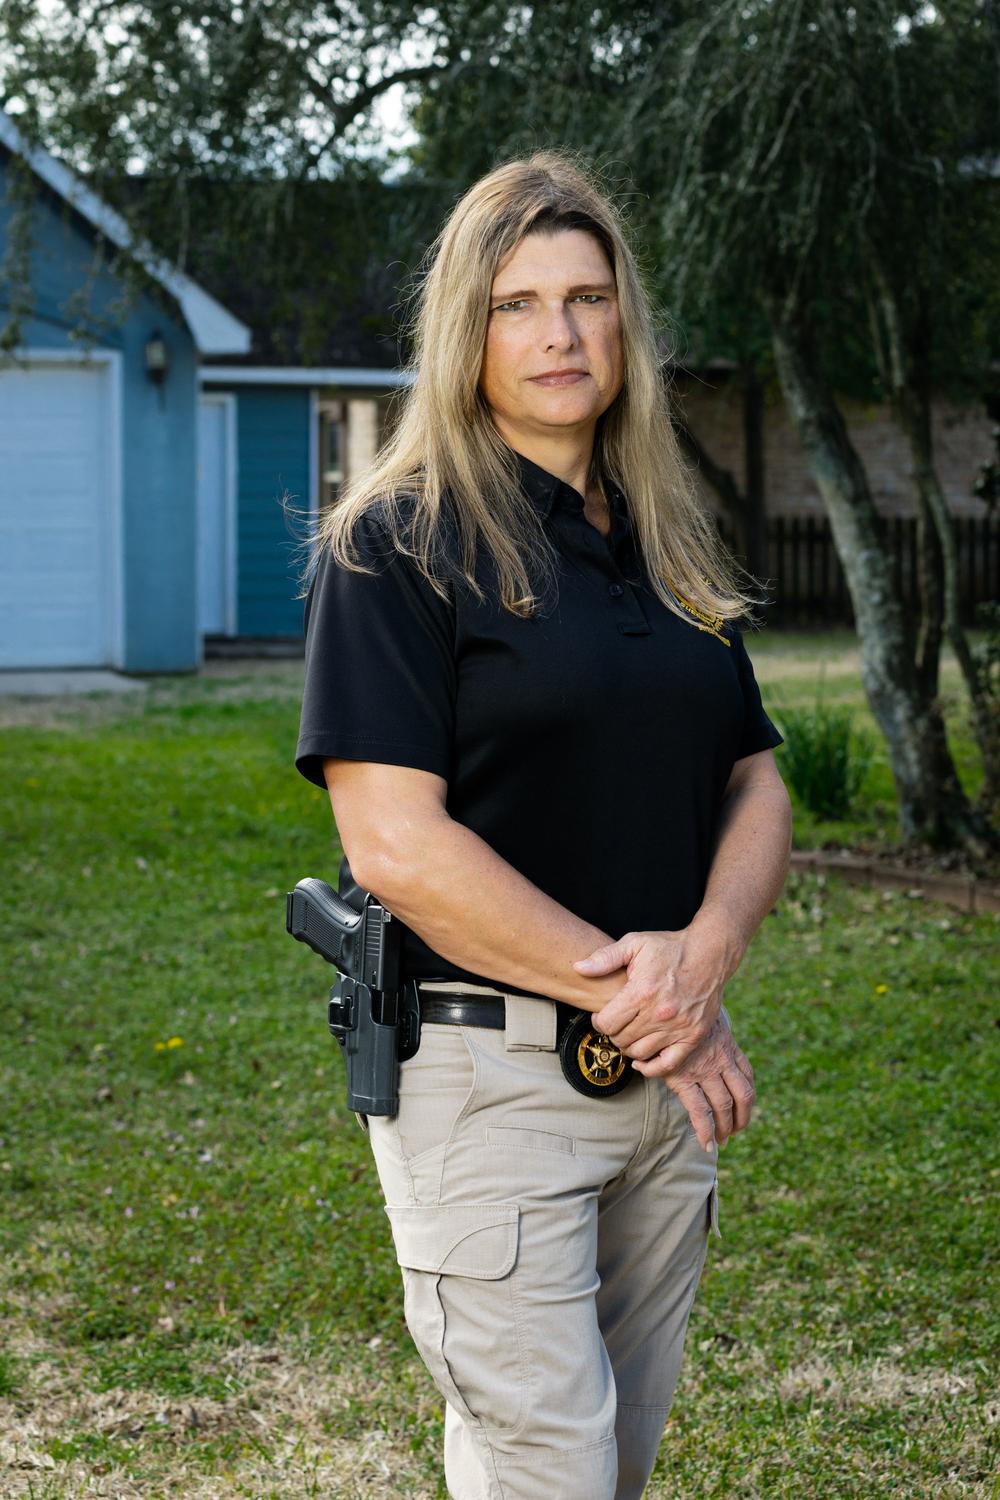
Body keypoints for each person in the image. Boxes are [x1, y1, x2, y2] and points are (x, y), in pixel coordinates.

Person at [294, 149, 792, 1500]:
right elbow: (396, 843)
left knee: (610, 1468)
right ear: (468, 332)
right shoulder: (392, 545)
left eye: (587, 295)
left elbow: (756, 778)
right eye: (519, 302)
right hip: (488, 1086)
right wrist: (652, 997)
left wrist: (704, 963)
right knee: (550, 1472)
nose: (560, 333)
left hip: (657, 1095)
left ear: (627, 319)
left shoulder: (664, 540)